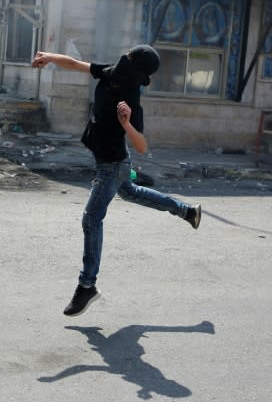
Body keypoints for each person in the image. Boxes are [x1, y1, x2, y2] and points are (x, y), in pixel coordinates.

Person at [32, 45, 202, 317]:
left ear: (134, 64)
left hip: (112, 165)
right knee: (133, 192)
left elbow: (142, 146)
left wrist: (127, 125)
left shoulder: (131, 95)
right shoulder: (111, 72)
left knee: (91, 219)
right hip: (115, 162)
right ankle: (186, 211)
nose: (126, 55)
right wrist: (50, 58)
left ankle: (87, 286)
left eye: (131, 56)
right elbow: (77, 64)